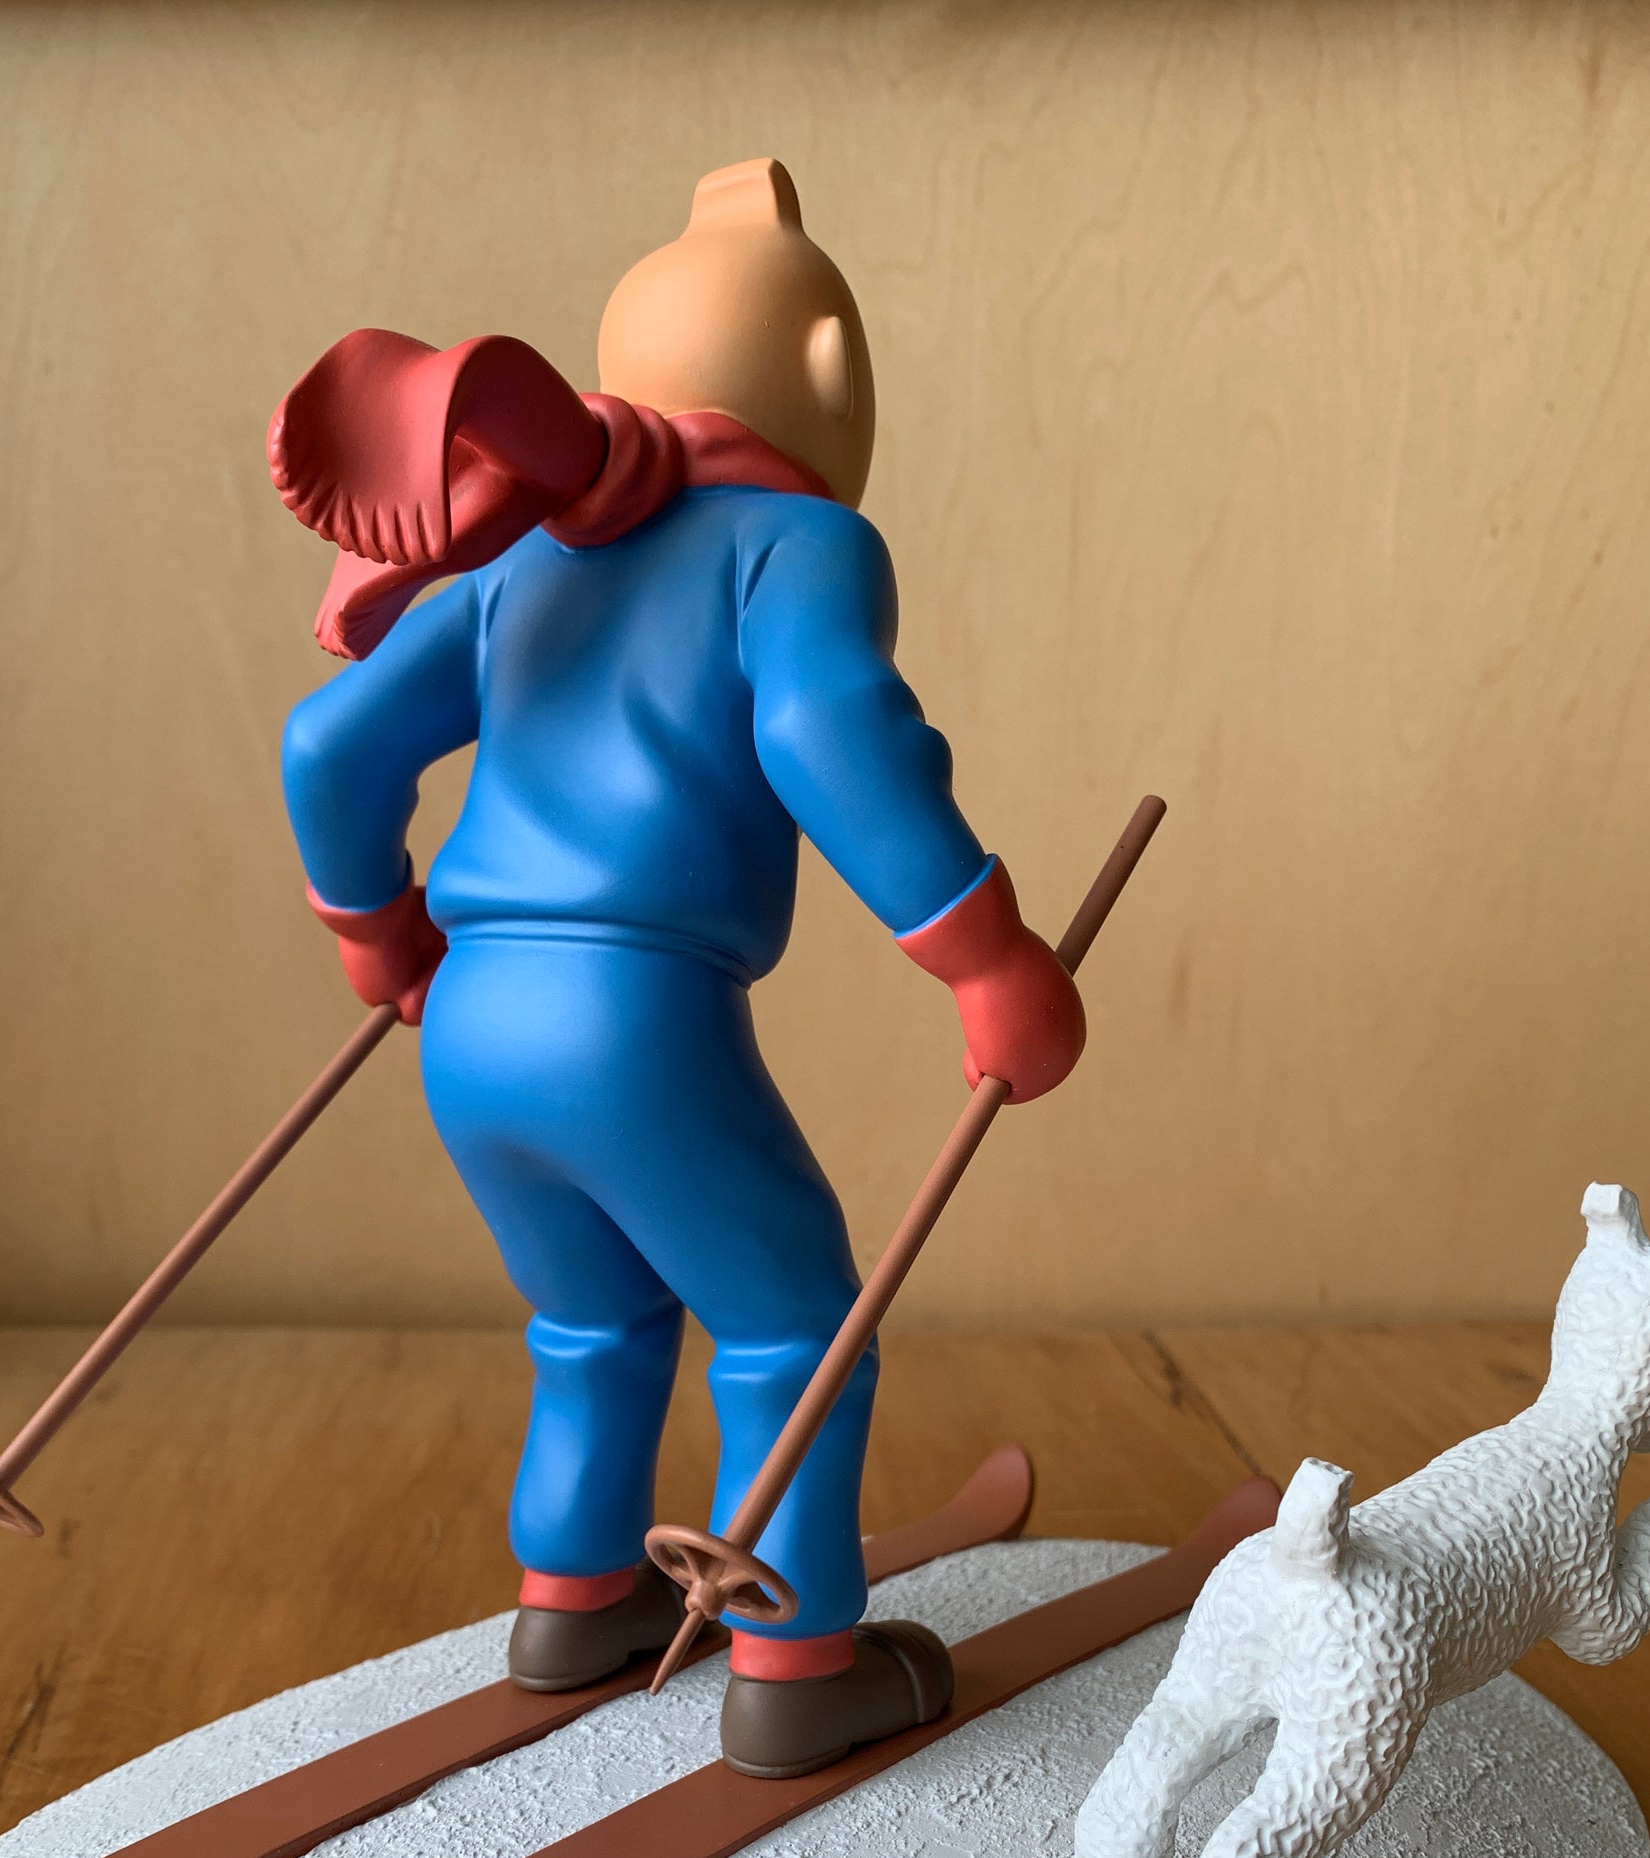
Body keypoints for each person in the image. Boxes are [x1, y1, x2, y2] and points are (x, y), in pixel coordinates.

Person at [276, 160, 1083, 1775]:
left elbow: (329, 743)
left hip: (472, 1020)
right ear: (831, 375)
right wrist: (985, 954)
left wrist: (377, 928)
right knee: (792, 1323)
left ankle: (574, 1597)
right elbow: (830, 732)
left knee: (592, 1315)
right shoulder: (795, 545)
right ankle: (794, 1662)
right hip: (629, 1020)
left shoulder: (517, 563)